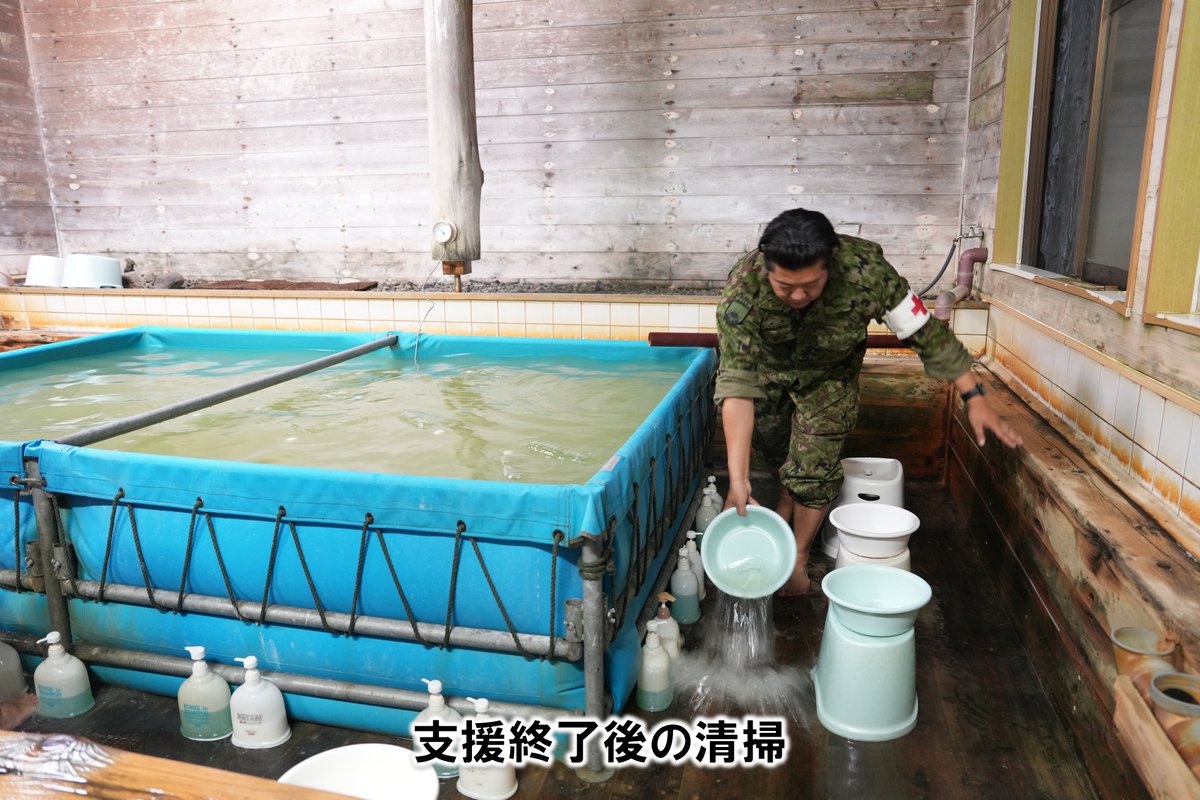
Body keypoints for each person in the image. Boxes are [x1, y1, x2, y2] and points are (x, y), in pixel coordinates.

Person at [715, 208, 1021, 595]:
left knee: (813, 467)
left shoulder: (867, 274)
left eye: (809, 285)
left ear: (831, 263)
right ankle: (788, 500)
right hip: (768, 372)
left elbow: (924, 332)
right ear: (767, 268)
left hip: (829, 374)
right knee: (774, 448)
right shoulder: (744, 289)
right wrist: (738, 480)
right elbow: (737, 385)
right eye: (784, 286)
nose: (797, 296)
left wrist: (973, 394)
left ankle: (798, 556)